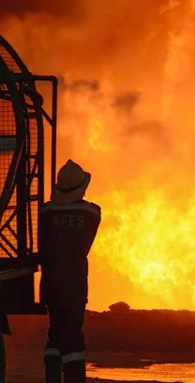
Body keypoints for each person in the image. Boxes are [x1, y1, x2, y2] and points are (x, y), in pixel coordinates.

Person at [39, 160, 102, 383]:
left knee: (55, 333)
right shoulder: (91, 212)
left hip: (50, 283)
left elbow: (44, 244)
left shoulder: (45, 212)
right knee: (73, 336)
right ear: (81, 188)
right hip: (74, 284)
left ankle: (52, 378)